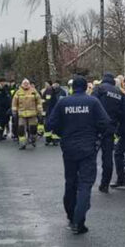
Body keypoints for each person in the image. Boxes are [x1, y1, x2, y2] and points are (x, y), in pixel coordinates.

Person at [46, 75, 110, 235]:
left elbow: (50, 124)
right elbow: (105, 122)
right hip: (88, 148)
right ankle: (78, 221)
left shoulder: (63, 102)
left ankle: (70, 215)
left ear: (72, 87)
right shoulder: (93, 102)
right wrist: (97, 135)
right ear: (85, 87)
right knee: (85, 184)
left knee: (70, 182)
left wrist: (62, 133)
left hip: (68, 148)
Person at [93, 73, 123, 193]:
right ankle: (105, 184)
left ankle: (87, 181)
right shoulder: (119, 92)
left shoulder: (99, 88)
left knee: (91, 155)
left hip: (96, 127)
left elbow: (92, 104)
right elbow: (124, 111)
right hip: (110, 128)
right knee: (107, 157)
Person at [12, 79, 44, 149]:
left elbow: (39, 101)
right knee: (21, 129)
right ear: (22, 84)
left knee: (33, 128)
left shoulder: (33, 91)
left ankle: (33, 139)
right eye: (24, 83)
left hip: (32, 114)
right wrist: (14, 112)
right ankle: (22, 143)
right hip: (22, 114)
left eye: (27, 83)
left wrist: (39, 111)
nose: (26, 85)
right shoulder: (18, 92)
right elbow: (14, 103)